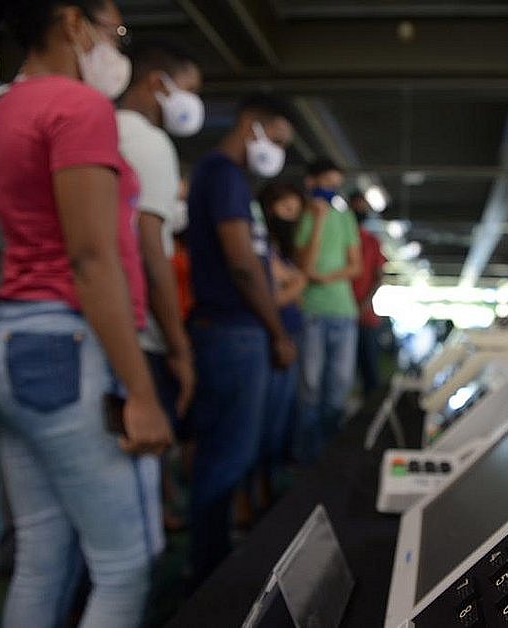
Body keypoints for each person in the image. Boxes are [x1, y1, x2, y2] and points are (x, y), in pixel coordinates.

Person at [0, 2, 172, 626]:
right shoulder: (79, 107)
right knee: (125, 565)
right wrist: (140, 391)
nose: (114, 45)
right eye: (110, 30)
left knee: (41, 556)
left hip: (7, 336)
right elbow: (91, 258)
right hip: (67, 345)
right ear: (70, 22)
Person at [186, 93, 296, 583]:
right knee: (226, 458)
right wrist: (275, 330)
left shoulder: (230, 179)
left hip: (233, 332)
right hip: (234, 331)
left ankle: (209, 557)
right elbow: (241, 263)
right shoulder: (224, 175)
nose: (276, 151)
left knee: (229, 453)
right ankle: (209, 573)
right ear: (251, 124)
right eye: (274, 139)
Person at [116, 41, 202, 529]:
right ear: (158, 83)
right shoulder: (148, 142)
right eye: (188, 90)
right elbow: (153, 252)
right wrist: (179, 346)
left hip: (104, 327)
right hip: (143, 333)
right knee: (136, 513)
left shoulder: (98, 129)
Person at [294, 159, 362, 464]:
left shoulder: (346, 218)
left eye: (335, 185)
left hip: (343, 312)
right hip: (311, 311)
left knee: (339, 385)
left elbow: (355, 265)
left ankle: (331, 456)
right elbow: (304, 265)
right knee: (309, 388)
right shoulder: (302, 217)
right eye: (326, 184)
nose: (330, 191)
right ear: (311, 183)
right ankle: (309, 459)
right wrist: (318, 220)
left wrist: (327, 277)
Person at [258, 182, 307, 498]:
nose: (291, 216)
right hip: (275, 338)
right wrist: (297, 284)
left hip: (288, 334)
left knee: (282, 417)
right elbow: (273, 296)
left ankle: (268, 485)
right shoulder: (263, 247)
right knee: (267, 420)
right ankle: (258, 491)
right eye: (285, 208)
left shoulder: (279, 249)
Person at [350, 193, 387, 397]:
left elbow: (378, 276)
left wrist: (364, 303)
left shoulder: (372, 242)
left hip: (365, 316)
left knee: (370, 371)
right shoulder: (343, 238)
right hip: (343, 312)